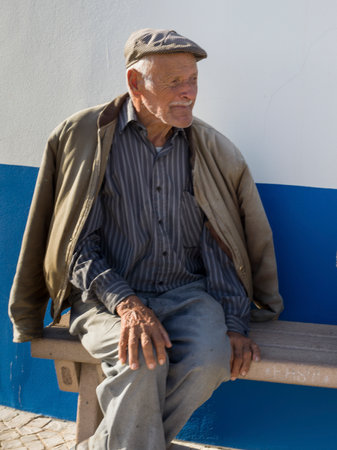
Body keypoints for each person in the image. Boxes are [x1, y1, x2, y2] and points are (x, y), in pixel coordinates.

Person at [9, 28, 283, 449]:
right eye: (174, 82)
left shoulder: (208, 148)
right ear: (135, 83)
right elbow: (76, 244)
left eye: (193, 80)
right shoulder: (88, 137)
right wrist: (128, 304)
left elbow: (220, 242)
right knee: (139, 363)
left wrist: (233, 320)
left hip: (187, 293)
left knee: (211, 362)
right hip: (106, 298)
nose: (189, 93)